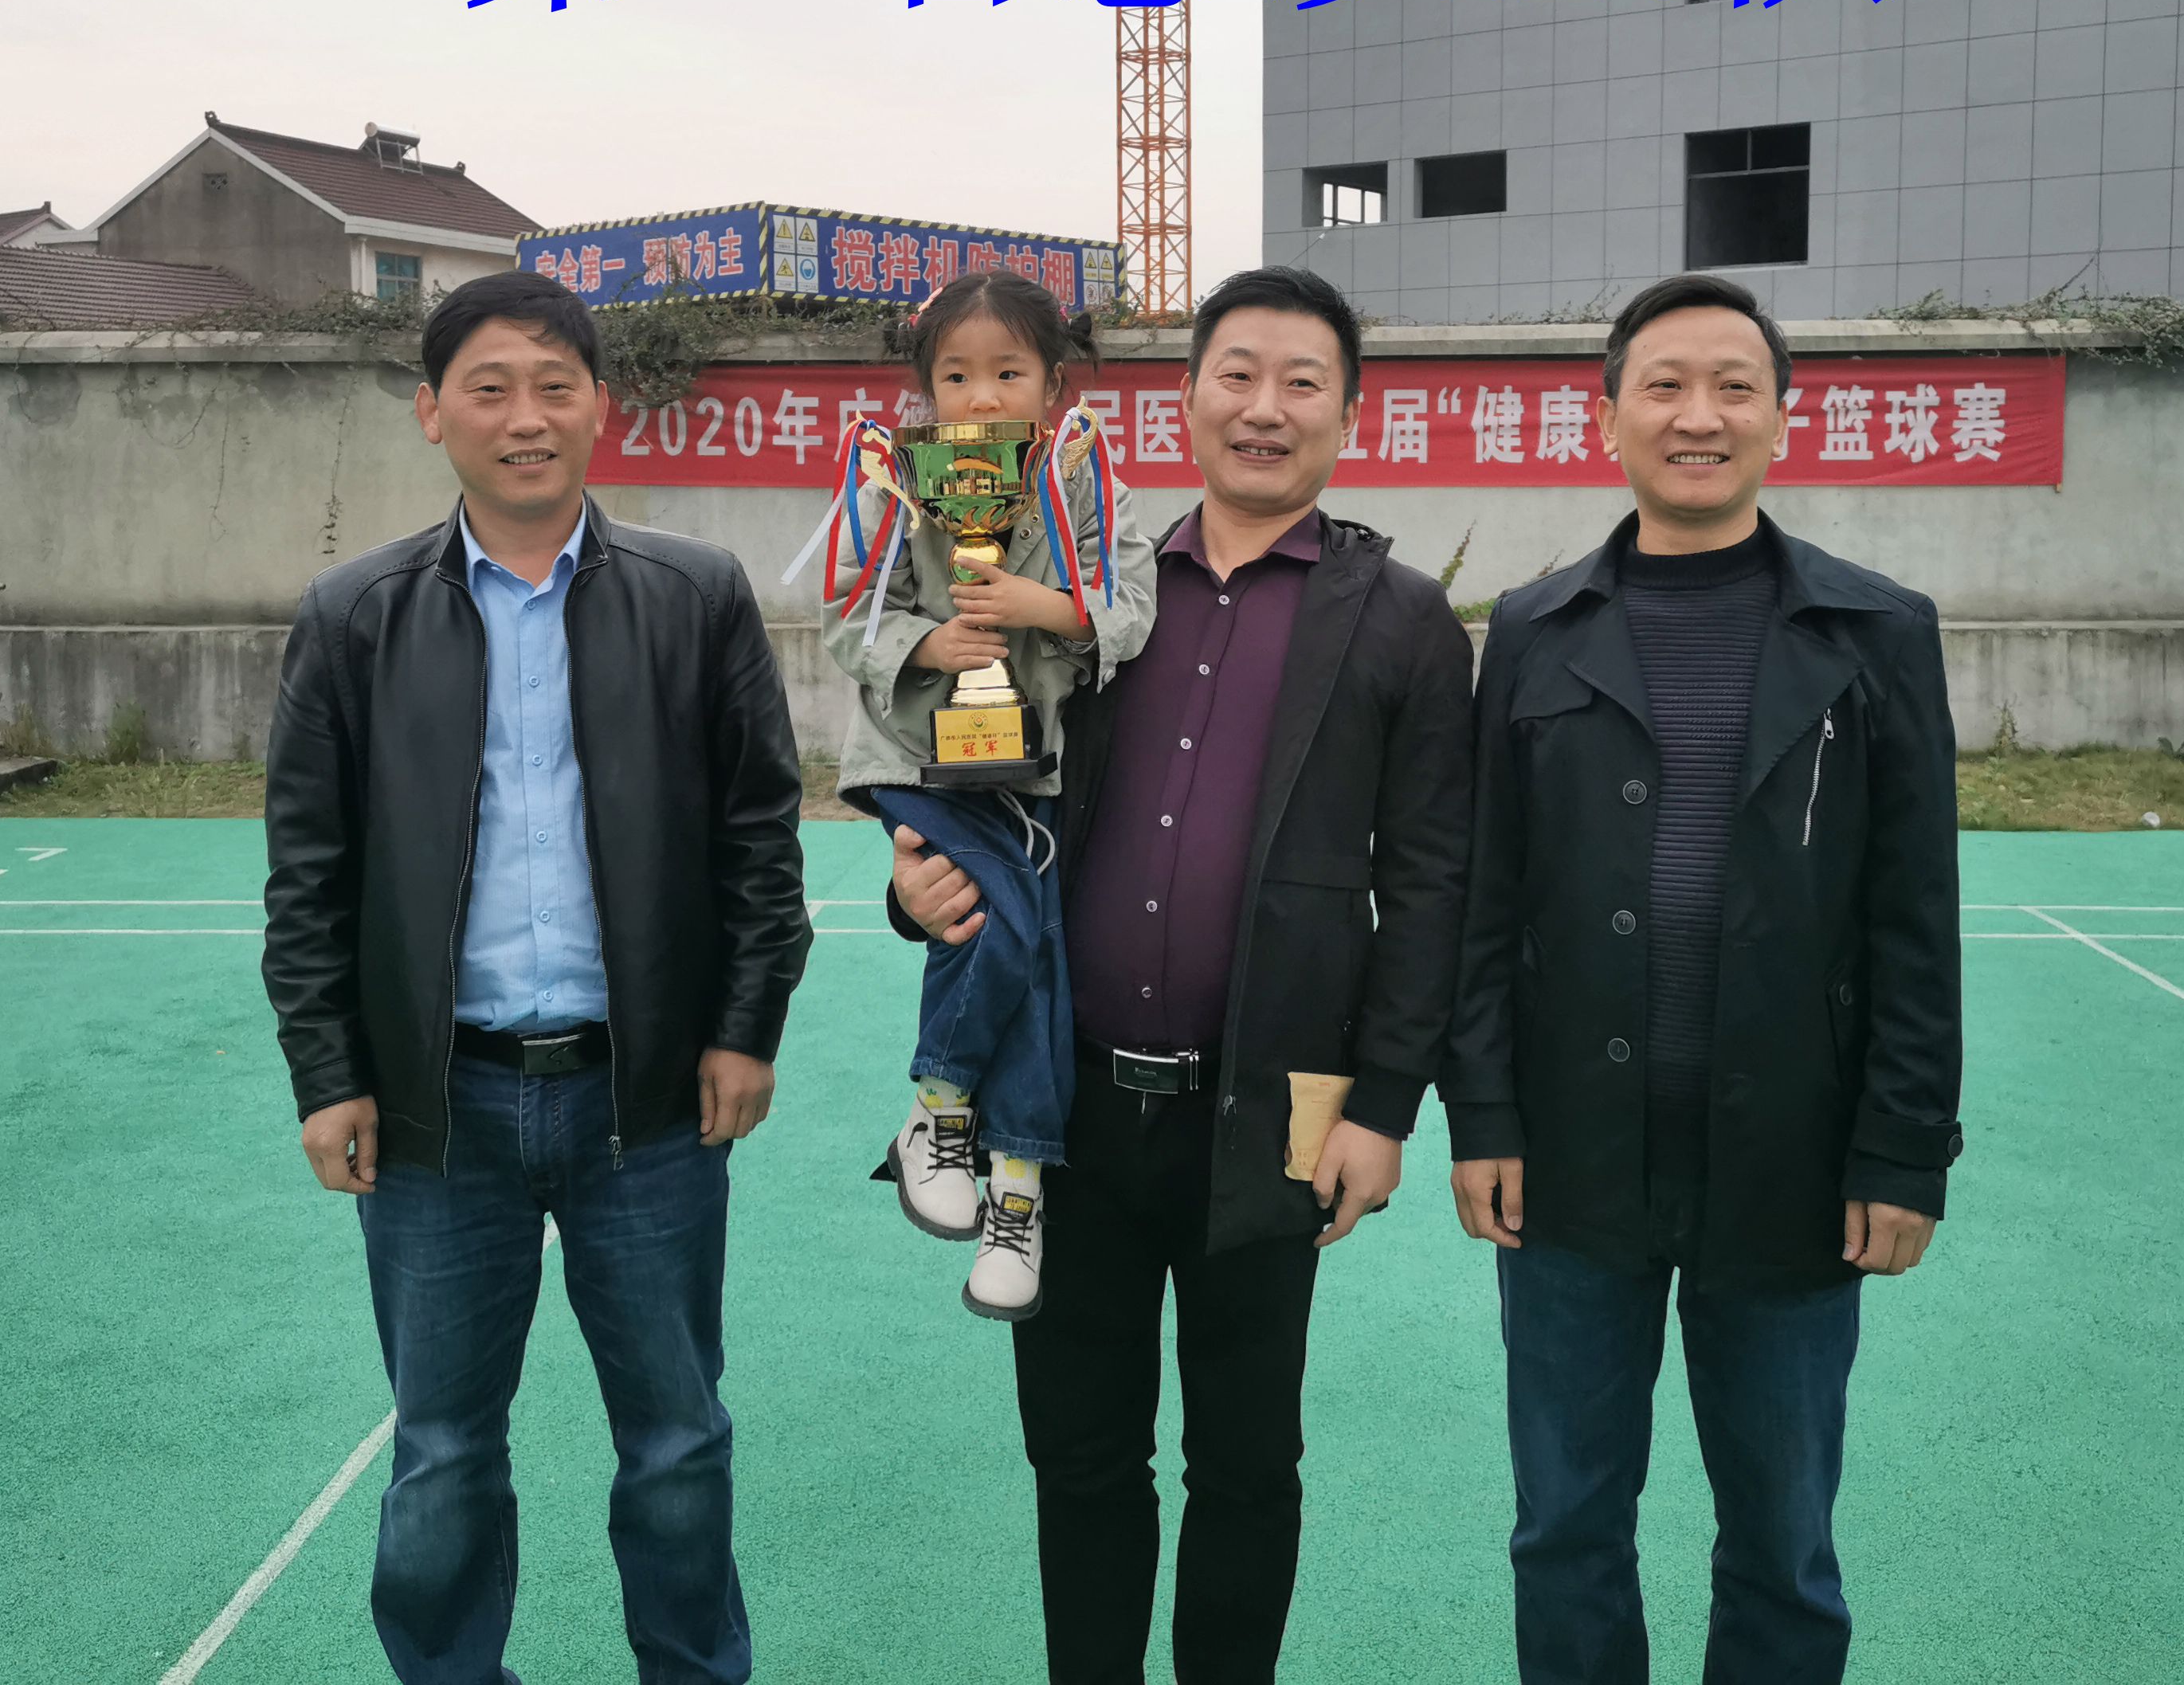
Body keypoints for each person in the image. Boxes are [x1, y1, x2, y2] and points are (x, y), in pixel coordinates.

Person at [892, 265, 1473, 1685]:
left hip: (1273, 1114)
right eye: (1238, 375)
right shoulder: (1089, 591)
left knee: (1247, 1464)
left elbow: (1435, 884)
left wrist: (1385, 1108)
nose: (1265, 409)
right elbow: (982, 775)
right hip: (1067, 1109)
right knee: (1081, 1455)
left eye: (1301, 383)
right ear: (1187, 399)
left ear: (1350, 415)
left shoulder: (1399, 619)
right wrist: (918, 886)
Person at [261, 268, 811, 1685]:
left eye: (555, 387)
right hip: (439, 1113)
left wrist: (745, 1028)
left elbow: (760, 837)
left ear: (600, 408)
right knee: (443, 1452)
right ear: (431, 411)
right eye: (491, 389)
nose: (526, 418)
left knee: (677, 1442)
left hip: (650, 1105)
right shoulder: (353, 616)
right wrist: (330, 1077)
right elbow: (308, 877)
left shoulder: (694, 596)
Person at [1442, 272, 1964, 1685]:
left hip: (1796, 1163)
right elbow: (1488, 900)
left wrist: (1904, 1149)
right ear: (1606, 416)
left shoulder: (1877, 633)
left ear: (1785, 419)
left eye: (1736, 387)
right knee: (1565, 1530)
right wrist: (1482, 1115)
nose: (1699, 415)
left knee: (1784, 1543)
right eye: (1665, 385)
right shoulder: (1535, 628)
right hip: (1570, 1166)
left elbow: (1915, 918)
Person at [821, 270, 1155, 1320]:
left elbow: (1131, 604)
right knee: (1007, 932)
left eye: (1008, 372)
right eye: (956, 375)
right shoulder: (892, 478)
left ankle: (1001, 1178)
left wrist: (1037, 605)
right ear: (926, 387)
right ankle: (946, 1110)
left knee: (1033, 954)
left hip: (1035, 763)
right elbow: (847, 611)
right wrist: (929, 643)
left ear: (1054, 384)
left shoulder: (1086, 475)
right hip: (918, 760)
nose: (981, 396)